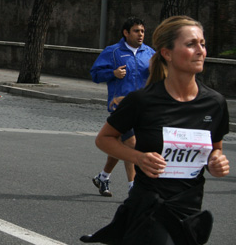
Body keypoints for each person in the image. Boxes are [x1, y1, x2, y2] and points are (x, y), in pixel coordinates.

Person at [81, 16, 230, 245]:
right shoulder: (142, 101)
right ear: (167, 53)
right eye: (191, 44)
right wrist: (139, 157)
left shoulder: (215, 103)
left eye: (202, 43)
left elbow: (215, 148)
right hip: (150, 207)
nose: (200, 50)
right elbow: (104, 139)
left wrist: (216, 161)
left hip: (188, 208)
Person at [89, 17, 155, 196]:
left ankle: (103, 177)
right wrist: (112, 73)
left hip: (143, 107)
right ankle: (133, 187)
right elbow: (95, 74)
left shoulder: (150, 53)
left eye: (142, 31)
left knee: (120, 144)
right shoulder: (113, 51)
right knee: (132, 143)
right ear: (126, 33)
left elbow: (160, 76)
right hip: (121, 106)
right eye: (136, 31)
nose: (140, 34)